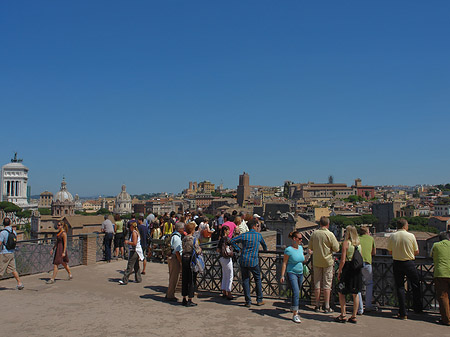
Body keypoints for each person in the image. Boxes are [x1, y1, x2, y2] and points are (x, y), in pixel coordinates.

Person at [387, 218, 422, 319]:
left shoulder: (392, 236)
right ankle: (417, 308)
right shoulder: (411, 236)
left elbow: (390, 251)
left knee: (400, 287)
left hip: (397, 263)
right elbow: (416, 251)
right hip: (409, 262)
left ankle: (403, 312)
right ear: (404, 226)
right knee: (415, 285)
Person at [231, 218, 267, 307]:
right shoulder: (258, 236)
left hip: (243, 260)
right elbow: (265, 246)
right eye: (257, 226)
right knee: (257, 279)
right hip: (253, 261)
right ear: (254, 226)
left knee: (245, 280)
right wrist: (264, 250)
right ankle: (259, 300)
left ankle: (248, 301)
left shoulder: (244, 235)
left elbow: (232, 241)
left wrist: (238, 249)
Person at [308, 216, 340, 313]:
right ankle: (326, 306)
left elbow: (310, 247)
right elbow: (336, 248)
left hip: (316, 261)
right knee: (327, 284)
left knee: (317, 284)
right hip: (328, 262)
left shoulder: (314, 234)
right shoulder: (330, 234)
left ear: (320, 224)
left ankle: (317, 305)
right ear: (328, 224)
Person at [335, 226, 362, 324]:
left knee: (341, 292)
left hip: (347, 268)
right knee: (355, 293)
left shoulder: (346, 243)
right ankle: (354, 316)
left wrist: (339, 271)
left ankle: (343, 314)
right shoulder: (358, 244)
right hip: (356, 270)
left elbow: (342, 260)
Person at [280, 231, 305, 323]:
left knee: (297, 291)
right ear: (294, 239)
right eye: (299, 238)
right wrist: (282, 275)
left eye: (301, 238)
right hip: (291, 272)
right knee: (295, 291)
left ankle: (293, 307)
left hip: (300, 272)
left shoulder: (301, 248)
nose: (301, 240)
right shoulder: (288, 250)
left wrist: (309, 254)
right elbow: (284, 263)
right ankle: (295, 314)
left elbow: (303, 260)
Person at [430, 231, 450, 326]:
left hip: (441, 273)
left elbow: (431, 255)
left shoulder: (436, 245)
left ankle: (447, 319)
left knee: (443, 296)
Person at [0, 218, 24, 290]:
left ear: (3, 224)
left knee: (0, 270)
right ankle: (19, 283)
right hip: (12, 252)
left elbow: (0, 243)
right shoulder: (14, 232)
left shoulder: (2, 233)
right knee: (13, 269)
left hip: (4, 253)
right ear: (10, 223)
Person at [181, 222, 201, 306]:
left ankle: (184, 298)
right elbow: (197, 250)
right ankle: (190, 298)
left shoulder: (184, 238)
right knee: (191, 279)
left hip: (184, 258)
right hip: (191, 260)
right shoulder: (193, 239)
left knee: (184, 279)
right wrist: (200, 250)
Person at [357, 226, 376, 314]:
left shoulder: (356, 239)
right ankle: (368, 306)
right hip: (368, 263)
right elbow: (374, 252)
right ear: (367, 232)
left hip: (357, 264)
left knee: (358, 286)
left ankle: (360, 308)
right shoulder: (371, 239)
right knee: (369, 284)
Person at [165, 222, 184, 302]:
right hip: (174, 258)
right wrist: (180, 261)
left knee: (172, 276)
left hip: (172, 257)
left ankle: (170, 293)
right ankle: (170, 295)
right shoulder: (176, 238)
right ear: (180, 229)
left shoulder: (174, 236)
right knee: (174, 277)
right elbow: (177, 251)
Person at [217, 225, 234, 300]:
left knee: (224, 274)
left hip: (221, 258)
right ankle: (229, 292)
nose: (229, 231)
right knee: (230, 275)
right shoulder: (227, 239)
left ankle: (224, 290)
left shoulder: (220, 239)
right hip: (227, 258)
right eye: (228, 230)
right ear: (225, 231)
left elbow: (217, 249)